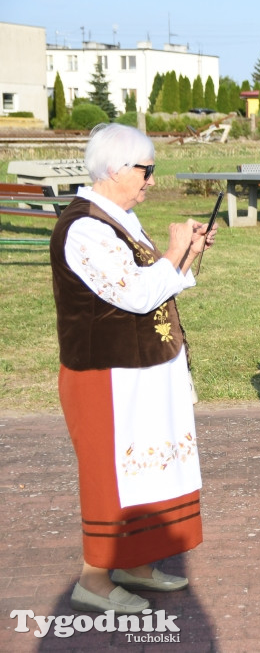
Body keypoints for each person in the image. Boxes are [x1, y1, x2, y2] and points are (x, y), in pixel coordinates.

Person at [48, 123, 217, 615]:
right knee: (114, 474)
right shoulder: (84, 227)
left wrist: (186, 255)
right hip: (107, 375)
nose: (150, 181)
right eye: (146, 170)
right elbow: (136, 293)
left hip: (143, 367)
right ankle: (94, 579)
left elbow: (160, 284)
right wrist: (173, 252)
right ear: (116, 169)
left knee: (148, 470)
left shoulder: (119, 217)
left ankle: (136, 563)